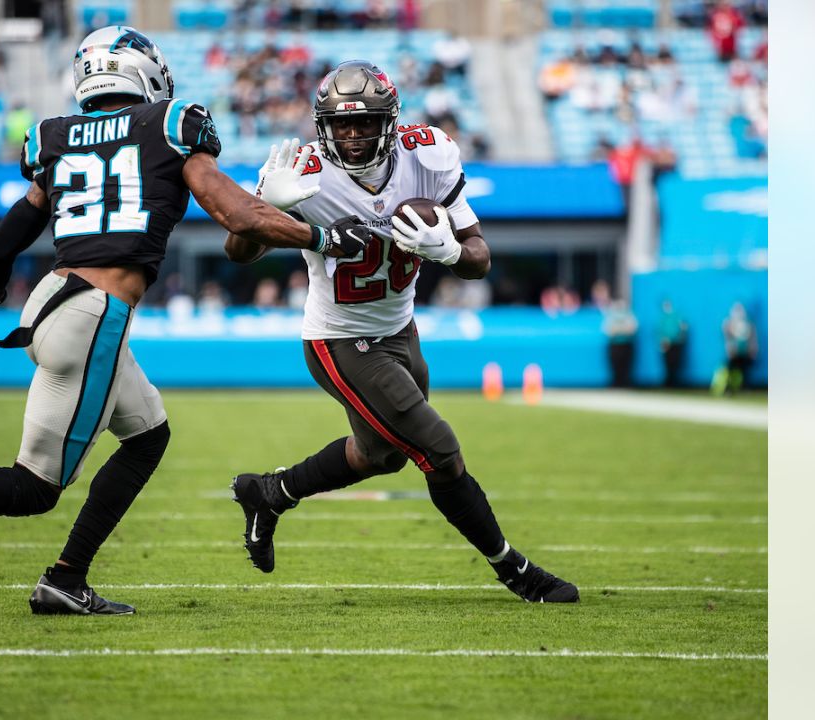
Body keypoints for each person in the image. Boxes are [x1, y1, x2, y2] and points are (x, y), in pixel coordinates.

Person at [0, 27, 373, 615]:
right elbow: (235, 214)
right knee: (33, 489)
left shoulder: (55, 137)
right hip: (95, 314)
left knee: (148, 436)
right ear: (142, 73)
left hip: (53, 299)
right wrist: (325, 236)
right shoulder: (169, 125)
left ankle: (67, 577)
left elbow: (3, 241)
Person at [224, 61, 578, 603]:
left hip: (399, 330)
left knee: (381, 454)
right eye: (341, 125)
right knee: (439, 449)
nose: (353, 134)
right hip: (339, 339)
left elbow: (479, 256)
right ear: (323, 125)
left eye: (364, 122)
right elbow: (237, 252)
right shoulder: (305, 171)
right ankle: (515, 570)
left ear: (390, 121)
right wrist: (266, 209)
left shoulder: (429, 155)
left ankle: (268, 493)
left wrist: (454, 251)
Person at [713, 302, 757, 395]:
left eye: (740, 310)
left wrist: (753, 350)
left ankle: (742, 387)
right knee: (729, 369)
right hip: (734, 353)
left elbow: (752, 339)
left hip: (745, 353)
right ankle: (726, 388)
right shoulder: (728, 323)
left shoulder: (748, 324)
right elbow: (727, 337)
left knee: (743, 370)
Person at [603, 298, 638, 387]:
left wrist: (618, 330)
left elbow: (632, 329)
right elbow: (608, 330)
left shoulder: (629, 315)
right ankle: (616, 383)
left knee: (626, 365)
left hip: (626, 345)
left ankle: (625, 383)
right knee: (615, 365)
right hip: (614, 345)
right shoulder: (611, 315)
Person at [658, 298, 689, 388]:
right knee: (667, 364)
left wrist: (680, 335)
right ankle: (668, 382)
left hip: (677, 344)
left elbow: (683, 328)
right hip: (666, 345)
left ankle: (675, 382)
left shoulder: (677, 316)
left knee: (676, 364)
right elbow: (659, 332)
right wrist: (662, 341)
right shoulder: (662, 318)